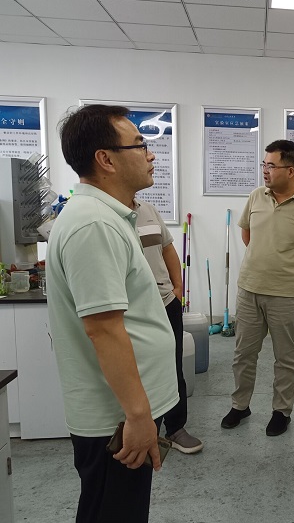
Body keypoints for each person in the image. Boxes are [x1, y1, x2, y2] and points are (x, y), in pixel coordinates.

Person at [46, 104, 179, 522]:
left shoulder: (109, 216)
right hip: (116, 419)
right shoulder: (93, 225)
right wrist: (138, 416)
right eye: (139, 145)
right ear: (105, 159)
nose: (150, 154)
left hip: (125, 409)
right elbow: (103, 330)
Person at [221, 139, 294, 436]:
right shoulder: (256, 196)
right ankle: (240, 405)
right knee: (243, 353)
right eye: (264, 164)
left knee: (285, 357)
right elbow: (247, 234)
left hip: (287, 294)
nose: (265, 170)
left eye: (271, 165)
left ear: (291, 170)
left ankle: (281, 411)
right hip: (249, 289)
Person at [134, 199, 203, 454]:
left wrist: (177, 289)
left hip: (165, 302)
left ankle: (175, 428)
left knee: (174, 367)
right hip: (132, 310)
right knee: (138, 372)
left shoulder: (148, 210)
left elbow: (167, 249)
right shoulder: (103, 213)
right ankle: (144, 433)